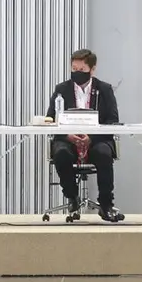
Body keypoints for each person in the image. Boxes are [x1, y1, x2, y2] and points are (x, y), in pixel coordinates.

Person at [46, 49, 120, 221]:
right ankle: (72, 197)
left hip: (96, 139)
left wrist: (91, 137)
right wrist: (68, 135)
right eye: (74, 69)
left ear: (92, 70)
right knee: (61, 153)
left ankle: (106, 205)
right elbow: (51, 118)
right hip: (68, 139)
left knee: (103, 153)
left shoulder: (105, 89)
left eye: (81, 70)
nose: (77, 73)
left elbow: (112, 120)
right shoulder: (61, 89)